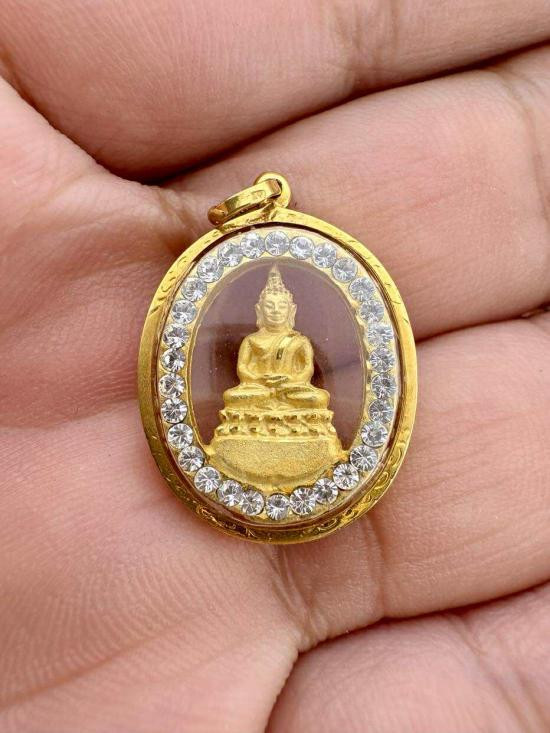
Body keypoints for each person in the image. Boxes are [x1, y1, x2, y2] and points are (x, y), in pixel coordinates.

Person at [1, 3, 549, 731]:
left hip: (297, 416)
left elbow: (304, 381)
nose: (276, 319)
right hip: (250, 418)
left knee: (304, 400)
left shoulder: (294, 342)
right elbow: (250, 382)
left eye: (283, 309)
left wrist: (291, 387)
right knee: (249, 398)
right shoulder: (253, 341)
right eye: (270, 309)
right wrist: (263, 387)